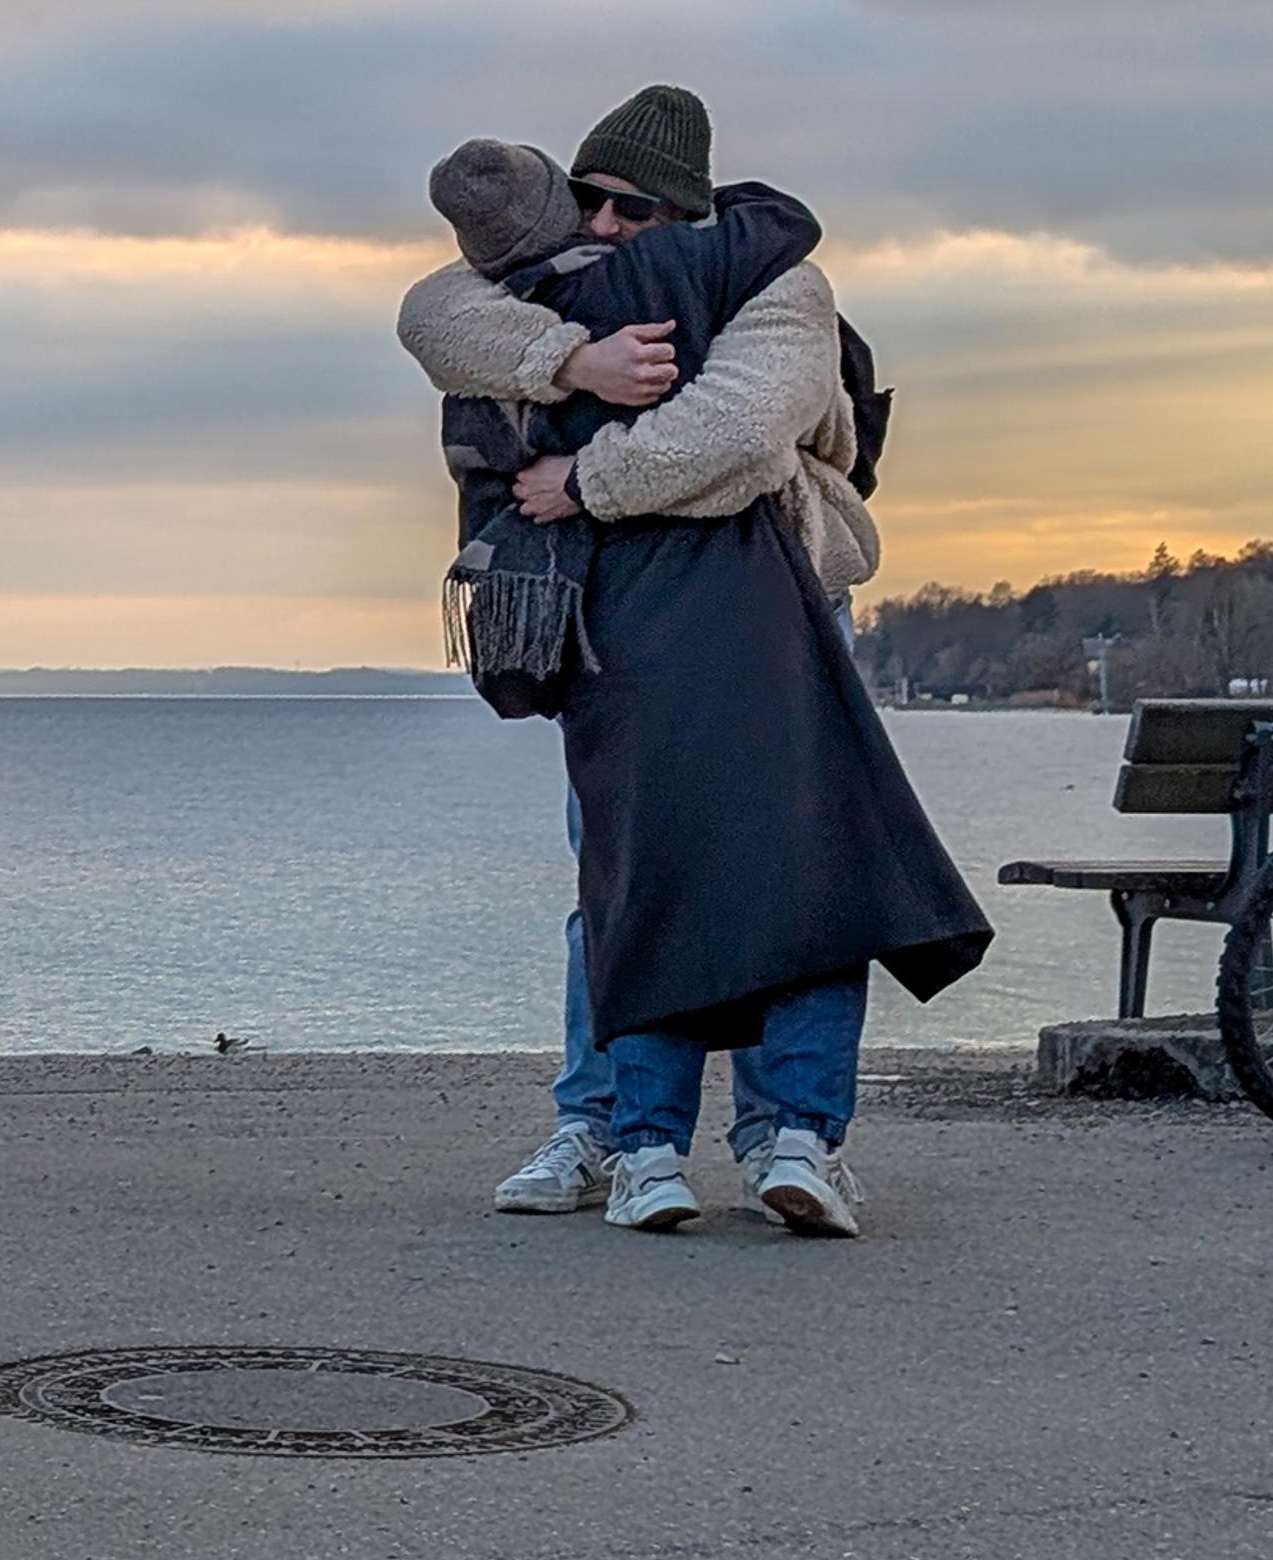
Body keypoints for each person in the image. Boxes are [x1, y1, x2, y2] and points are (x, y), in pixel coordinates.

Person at [400, 86, 986, 1238]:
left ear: (679, 206)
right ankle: (611, 1127)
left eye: (623, 207)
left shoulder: (782, 286)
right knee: (619, 877)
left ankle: (781, 1140)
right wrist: (575, 363)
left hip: (784, 605)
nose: (600, 225)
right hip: (632, 617)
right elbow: (430, 317)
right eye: (586, 202)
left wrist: (585, 482)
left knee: (803, 875)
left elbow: (739, 437)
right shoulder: (561, 286)